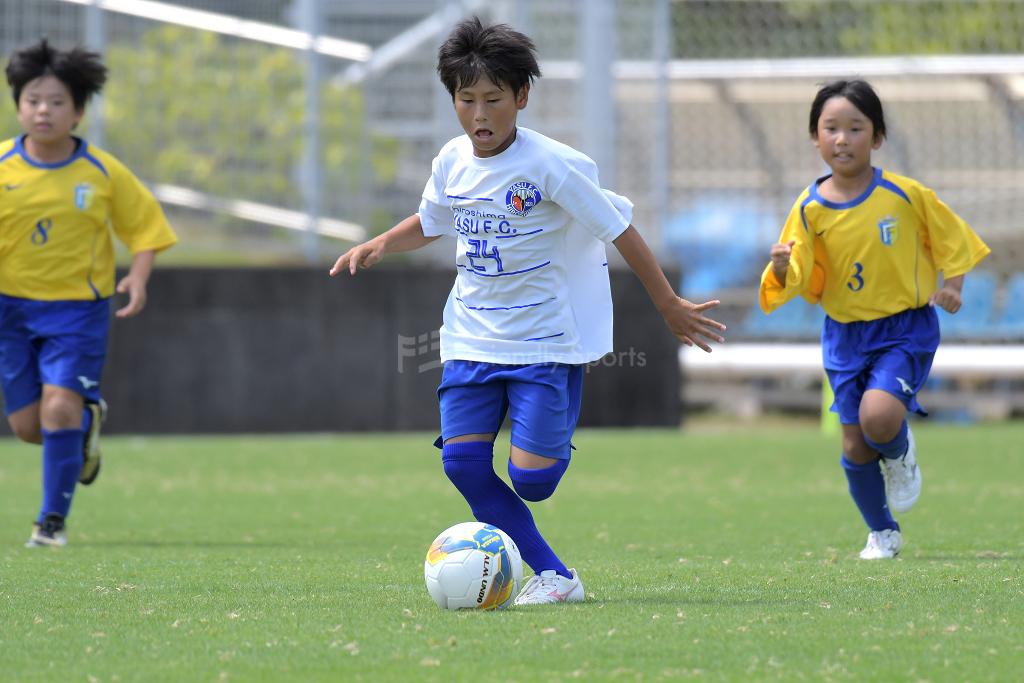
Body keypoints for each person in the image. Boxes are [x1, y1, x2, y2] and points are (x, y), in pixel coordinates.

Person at [331, 16, 725, 604]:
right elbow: (434, 222)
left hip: (545, 344)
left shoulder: (550, 166)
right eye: (467, 100)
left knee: (533, 483)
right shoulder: (451, 161)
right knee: (463, 465)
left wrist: (667, 303)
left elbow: (620, 229)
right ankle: (556, 576)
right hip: (470, 338)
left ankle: (554, 434)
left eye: (493, 99)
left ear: (522, 96)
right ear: (454, 100)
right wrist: (383, 242)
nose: (480, 115)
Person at [759, 79, 990, 560]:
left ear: (877, 137)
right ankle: (882, 532)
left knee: (878, 418)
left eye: (855, 128)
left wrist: (952, 287)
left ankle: (901, 454)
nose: (842, 138)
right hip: (844, 335)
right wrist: (782, 268)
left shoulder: (904, 195)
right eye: (831, 128)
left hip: (904, 327)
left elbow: (954, 240)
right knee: (854, 442)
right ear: (815, 139)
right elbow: (799, 273)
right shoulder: (809, 207)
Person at [1, 39, 177, 547]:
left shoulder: (100, 171)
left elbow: (146, 229)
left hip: (77, 313)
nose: (43, 110)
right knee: (29, 428)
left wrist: (137, 277)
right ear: (18, 105)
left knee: (58, 409)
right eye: (34, 99)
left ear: (77, 111)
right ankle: (86, 427)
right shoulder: (2, 168)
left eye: (57, 102)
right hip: (9, 310)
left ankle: (50, 524)